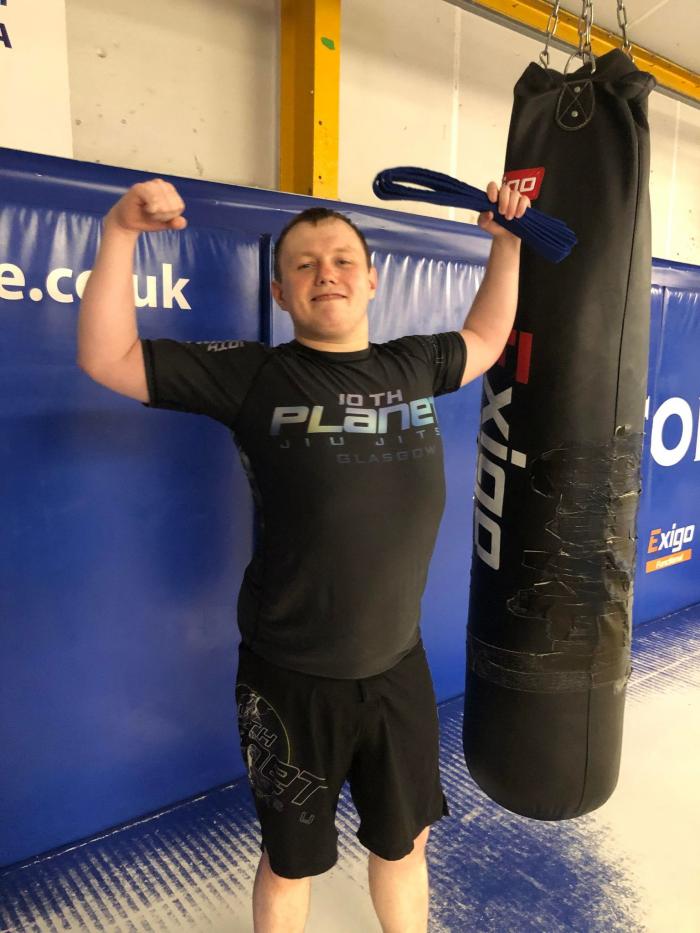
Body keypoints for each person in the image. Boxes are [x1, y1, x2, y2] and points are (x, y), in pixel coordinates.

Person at [77, 176, 529, 933]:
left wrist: (508, 247)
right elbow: (107, 357)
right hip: (290, 679)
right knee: (291, 864)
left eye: (344, 260)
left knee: (406, 842)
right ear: (281, 293)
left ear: (372, 280)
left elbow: (485, 340)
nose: (328, 273)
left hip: (398, 667)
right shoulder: (255, 375)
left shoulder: (413, 362)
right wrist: (119, 232)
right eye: (305, 264)